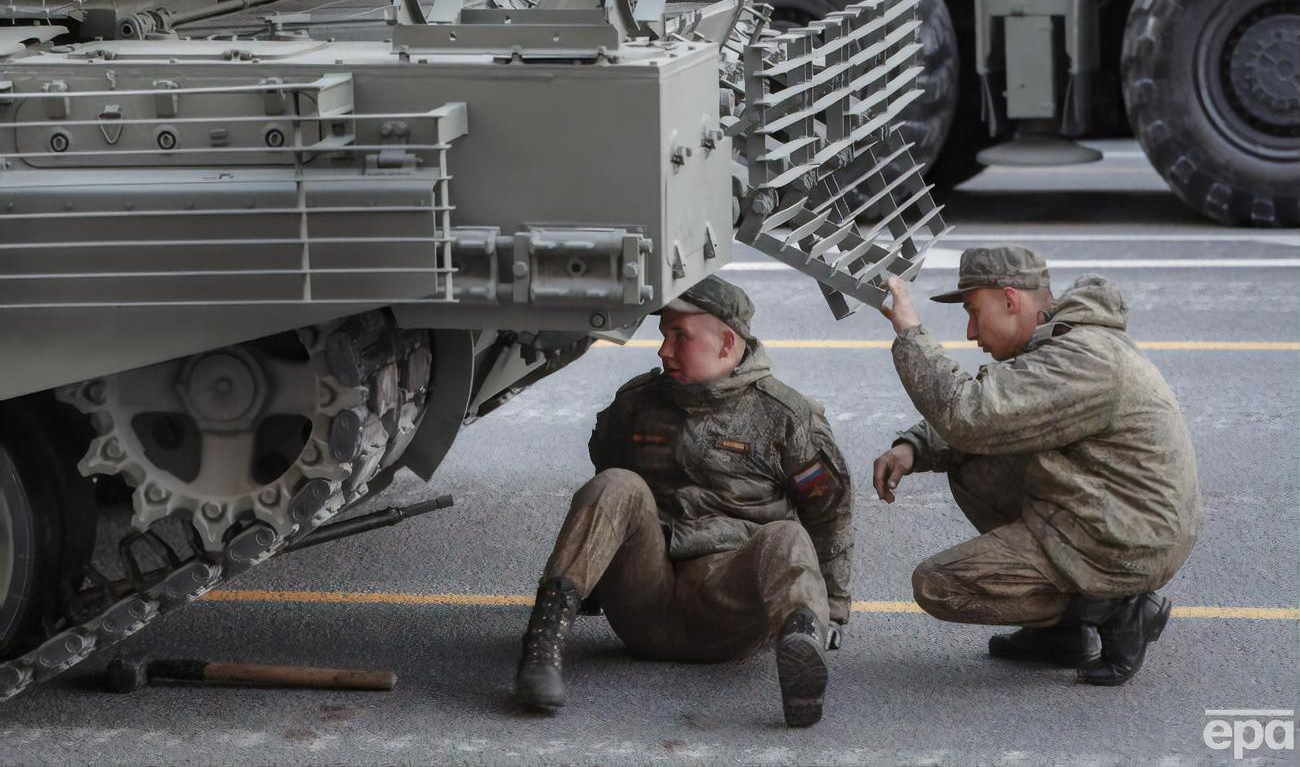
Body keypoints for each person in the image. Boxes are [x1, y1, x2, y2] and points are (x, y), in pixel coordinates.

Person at [514, 275, 852, 726]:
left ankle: (802, 654)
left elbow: (828, 511)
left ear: (727, 343)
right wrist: (591, 579)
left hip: (726, 613)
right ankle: (542, 649)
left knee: (786, 536)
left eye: (680, 337)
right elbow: (605, 489)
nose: (663, 351)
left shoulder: (787, 417)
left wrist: (835, 610)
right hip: (643, 601)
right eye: (663, 335)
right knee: (617, 483)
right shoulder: (638, 403)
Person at [873, 246, 1201, 686]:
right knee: (971, 459)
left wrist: (910, 331)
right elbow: (1004, 412)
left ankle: (1115, 608)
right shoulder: (1064, 344)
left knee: (940, 585)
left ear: (1010, 300)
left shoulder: (1081, 359)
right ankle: (1063, 635)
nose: (971, 332)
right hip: (1110, 514)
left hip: (1131, 539)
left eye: (974, 312)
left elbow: (970, 415)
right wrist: (914, 446)